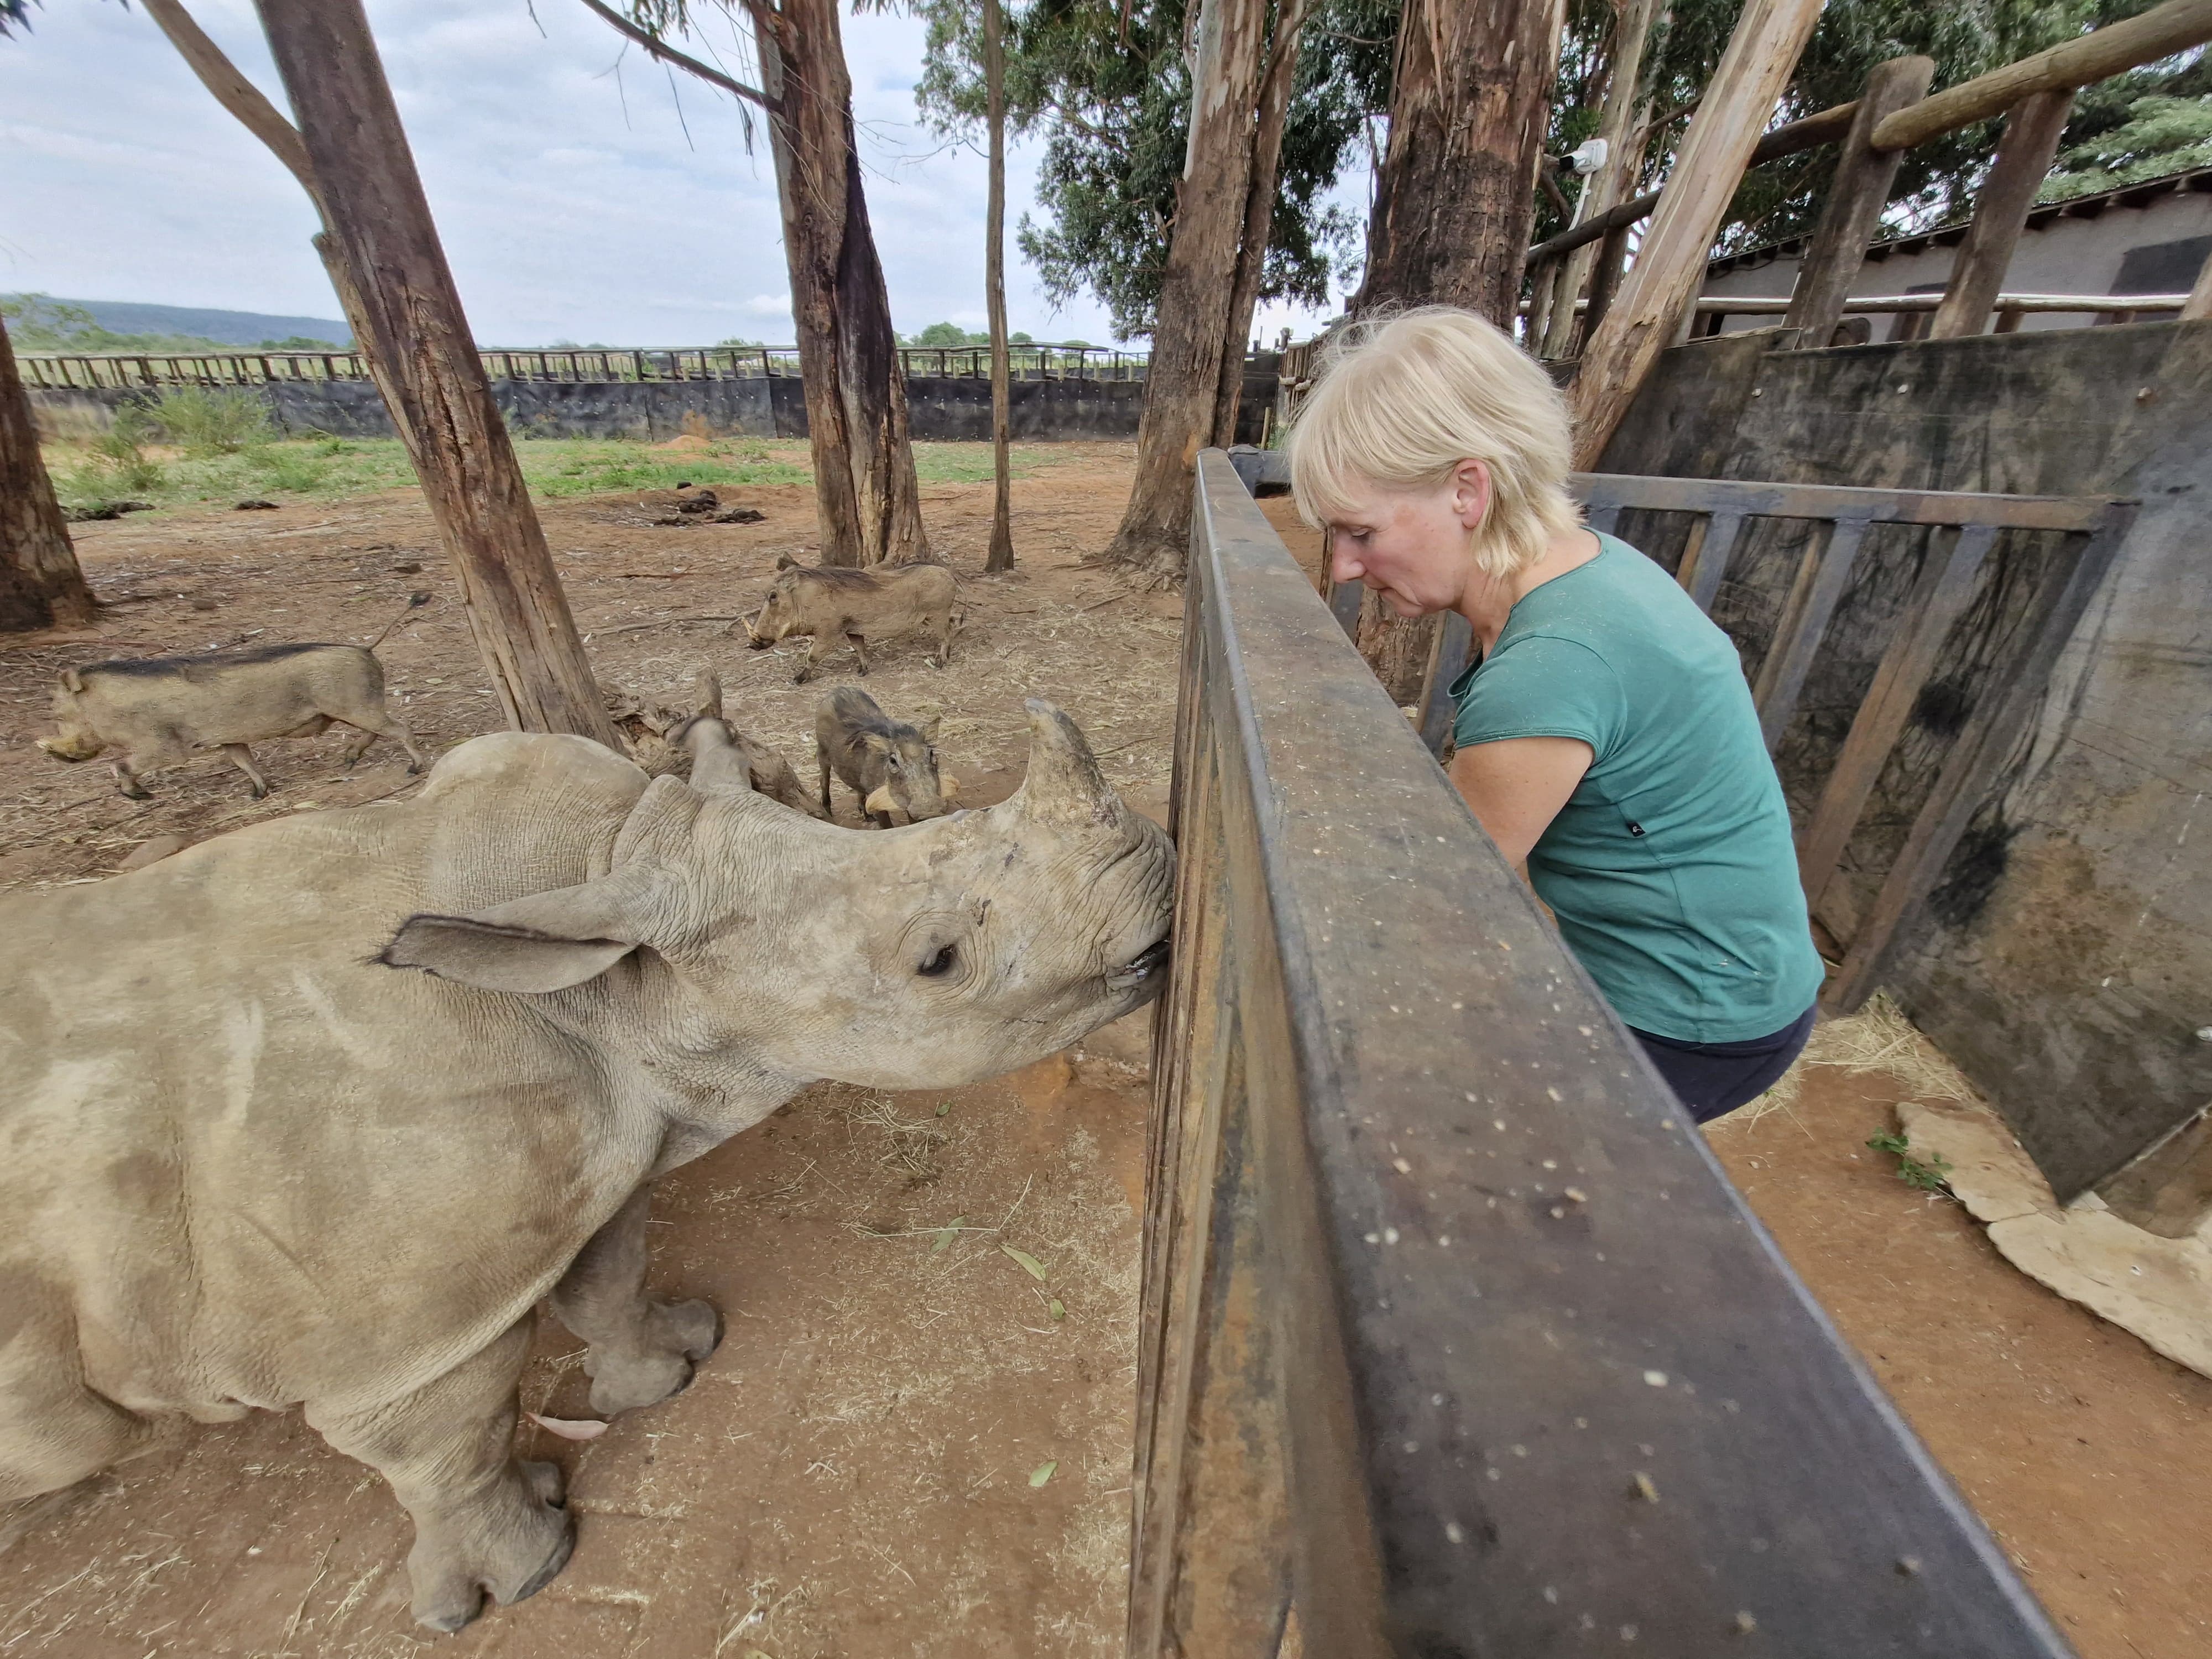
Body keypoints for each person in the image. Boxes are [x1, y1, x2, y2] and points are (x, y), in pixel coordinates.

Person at [1285, 306, 1823, 1123]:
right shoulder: (1589, 570)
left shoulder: (1546, 670)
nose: (1346, 567)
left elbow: (1437, 908)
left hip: (1691, 1017)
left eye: (1359, 532)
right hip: (1740, 976)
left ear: (1468, 488)